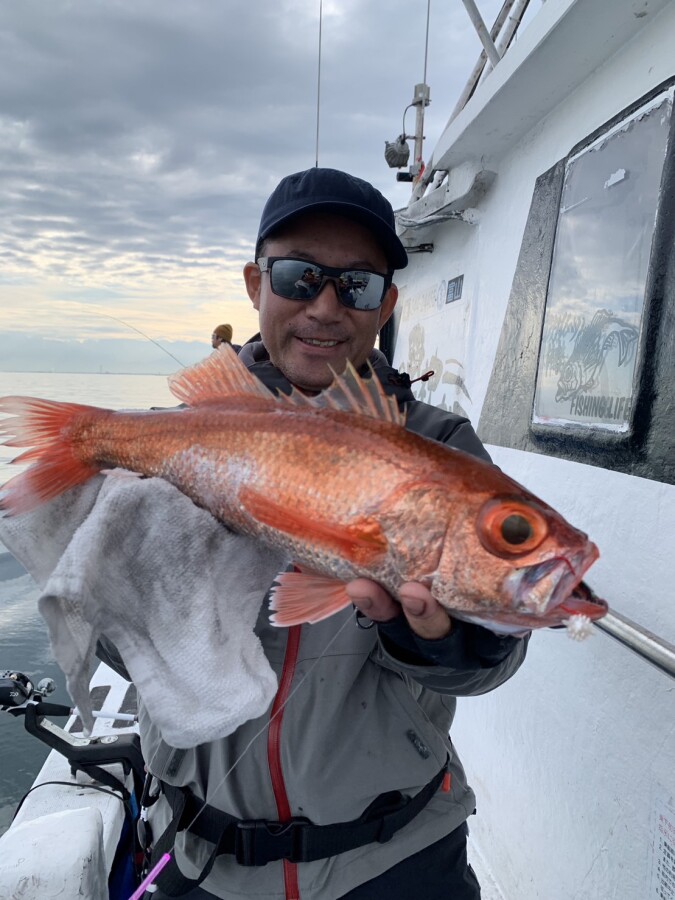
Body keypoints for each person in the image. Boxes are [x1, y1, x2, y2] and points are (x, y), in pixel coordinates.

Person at [3, 167, 528, 900]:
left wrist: (430, 639)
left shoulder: (440, 448)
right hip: (200, 857)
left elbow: (490, 663)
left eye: (357, 286)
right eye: (297, 275)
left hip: (397, 858)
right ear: (255, 284)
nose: (324, 306)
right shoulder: (172, 448)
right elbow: (124, 656)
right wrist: (137, 587)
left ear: (387, 306)